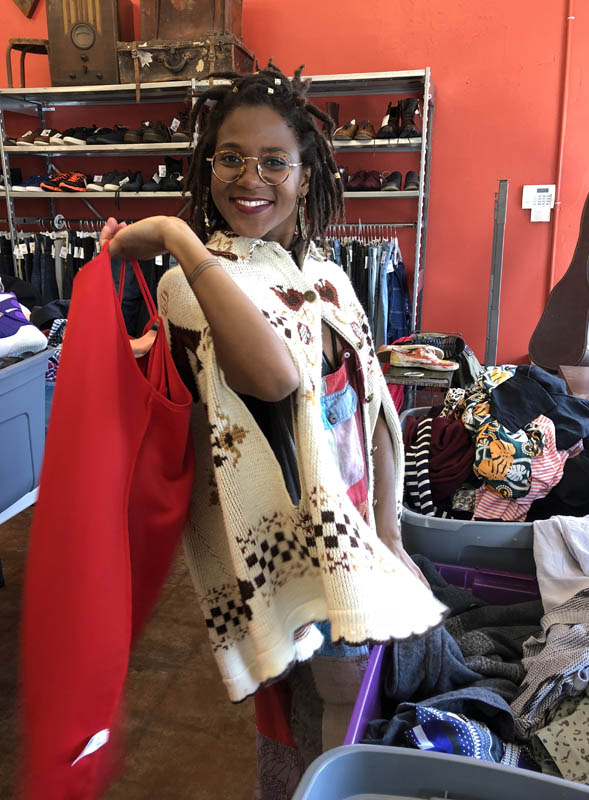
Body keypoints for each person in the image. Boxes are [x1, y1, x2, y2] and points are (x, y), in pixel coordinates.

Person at [100, 61, 446, 799]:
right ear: (205, 165)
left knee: (338, 691)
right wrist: (178, 241)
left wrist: (390, 535)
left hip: (351, 509)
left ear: (307, 172)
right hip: (284, 532)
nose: (247, 177)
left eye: (272, 161)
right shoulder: (195, 279)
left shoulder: (329, 275)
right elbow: (273, 377)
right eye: (229, 157)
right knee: (332, 685)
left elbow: (376, 402)